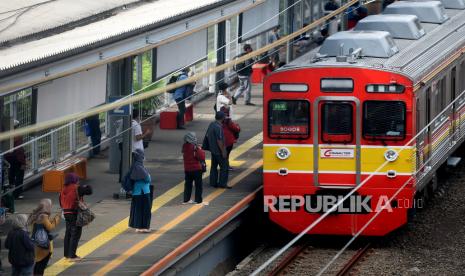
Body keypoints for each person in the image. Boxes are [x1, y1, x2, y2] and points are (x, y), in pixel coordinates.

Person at [59, 173, 91, 261]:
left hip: (66, 213)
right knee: (75, 234)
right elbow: (89, 191)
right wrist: (86, 185)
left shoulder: (63, 189)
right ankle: (72, 255)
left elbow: (60, 202)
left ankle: (66, 254)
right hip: (74, 213)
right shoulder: (77, 188)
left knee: (68, 233)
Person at [27, 199, 60, 275]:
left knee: (38, 264)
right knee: (41, 266)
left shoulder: (35, 214)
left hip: (35, 243)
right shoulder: (43, 216)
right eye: (50, 205)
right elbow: (50, 227)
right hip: (42, 246)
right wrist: (57, 218)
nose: (51, 207)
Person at [203, 111, 231, 189]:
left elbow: (208, 136)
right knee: (224, 167)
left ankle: (213, 182)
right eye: (224, 117)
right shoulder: (218, 127)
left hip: (213, 150)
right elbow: (219, 141)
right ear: (222, 118)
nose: (225, 118)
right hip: (218, 151)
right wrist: (223, 151)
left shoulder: (212, 124)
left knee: (214, 167)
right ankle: (222, 183)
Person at [129, 149, 152, 233]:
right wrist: (149, 176)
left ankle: (138, 226)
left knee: (138, 210)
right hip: (143, 191)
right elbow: (147, 179)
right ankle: (145, 227)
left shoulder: (134, 165)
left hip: (136, 192)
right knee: (146, 210)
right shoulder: (139, 166)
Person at [182, 132, 207, 205]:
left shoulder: (184, 146)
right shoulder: (195, 147)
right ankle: (198, 200)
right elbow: (201, 157)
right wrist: (200, 149)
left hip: (187, 169)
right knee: (198, 185)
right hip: (196, 169)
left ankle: (186, 200)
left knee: (188, 184)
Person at [4, 120, 26, 200]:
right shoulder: (18, 135)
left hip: (8, 157)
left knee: (11, 175)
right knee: (19, 176)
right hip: (17, 158)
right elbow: (19, 149)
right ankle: (16, 194)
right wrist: (23, 162)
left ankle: (9, 193)